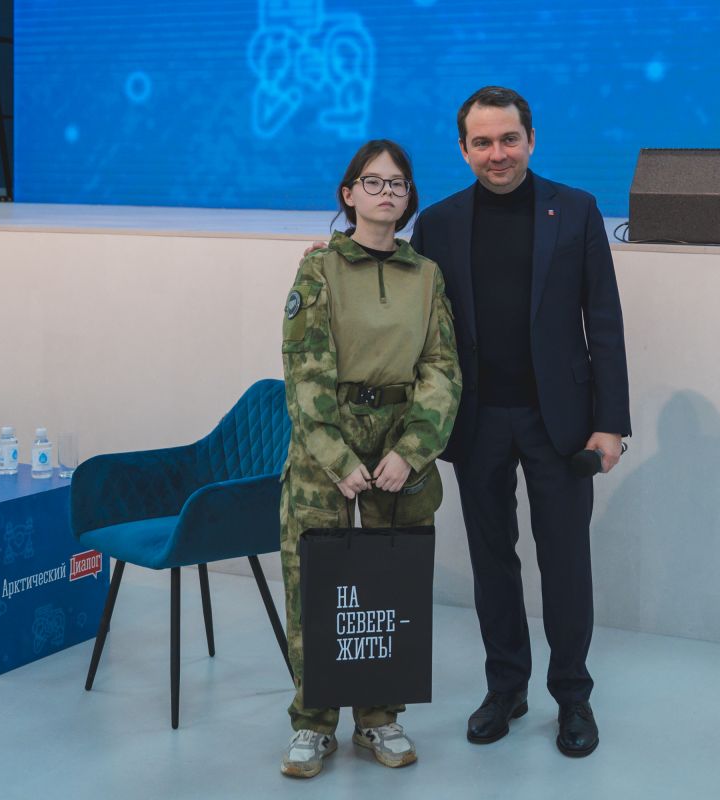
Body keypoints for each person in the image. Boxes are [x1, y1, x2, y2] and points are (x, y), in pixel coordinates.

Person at [411, 86, 630, 758]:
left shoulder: (577, 209)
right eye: (482, 142)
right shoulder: (438, 223)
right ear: (463, 149)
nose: (497, 153)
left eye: (509, 139)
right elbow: (415, 322)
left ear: (531, 140)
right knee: (492, 563)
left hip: (559, 422)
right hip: (476, 420)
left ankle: (573, 697)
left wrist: (610, 423)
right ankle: (505, 687)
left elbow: (604, 320)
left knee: (565, 562)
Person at [279, 139, 461, 778]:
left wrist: (412, 451)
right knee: (316, 583)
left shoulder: (427, 275)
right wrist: (335, 455)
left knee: (391, 588)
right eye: (374, 182)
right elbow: (303, 369)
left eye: (398, 184)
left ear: (410, 198)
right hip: (326, 443)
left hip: (398, 444)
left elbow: (441, 368)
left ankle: (380, 718)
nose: (387, 193)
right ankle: (312, 723)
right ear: (349, 193)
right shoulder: (318, 269)